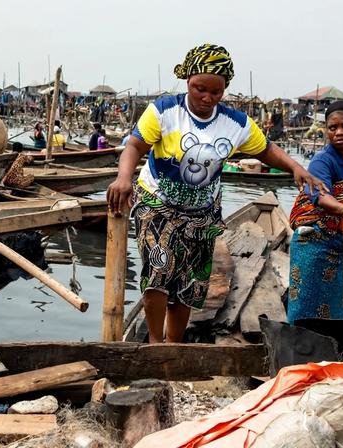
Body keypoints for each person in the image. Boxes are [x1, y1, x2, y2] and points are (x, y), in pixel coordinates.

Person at [106, 43, 322, 343]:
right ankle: (155, 344)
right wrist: (123, 178)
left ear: (225, 90)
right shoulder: (164, 111)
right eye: (199, 89)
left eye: (215, 92)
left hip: (202, 214)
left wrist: (295, 167)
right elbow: (134, 146)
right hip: (157, 203)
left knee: (190, 283)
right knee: (159, 271)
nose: (207, 98)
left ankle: (174, 346)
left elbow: (266, 150)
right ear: (187, 82)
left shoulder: (235, 123)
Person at [287, 101, 343, 322]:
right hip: (315, 244)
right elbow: (319, 196)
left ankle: (330, 353)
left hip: (341, 245)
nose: (339, 132)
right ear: (326, 130)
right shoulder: (322, 160)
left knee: (338, 308)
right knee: (305, 307)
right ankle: (299, 351)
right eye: (332, 127)